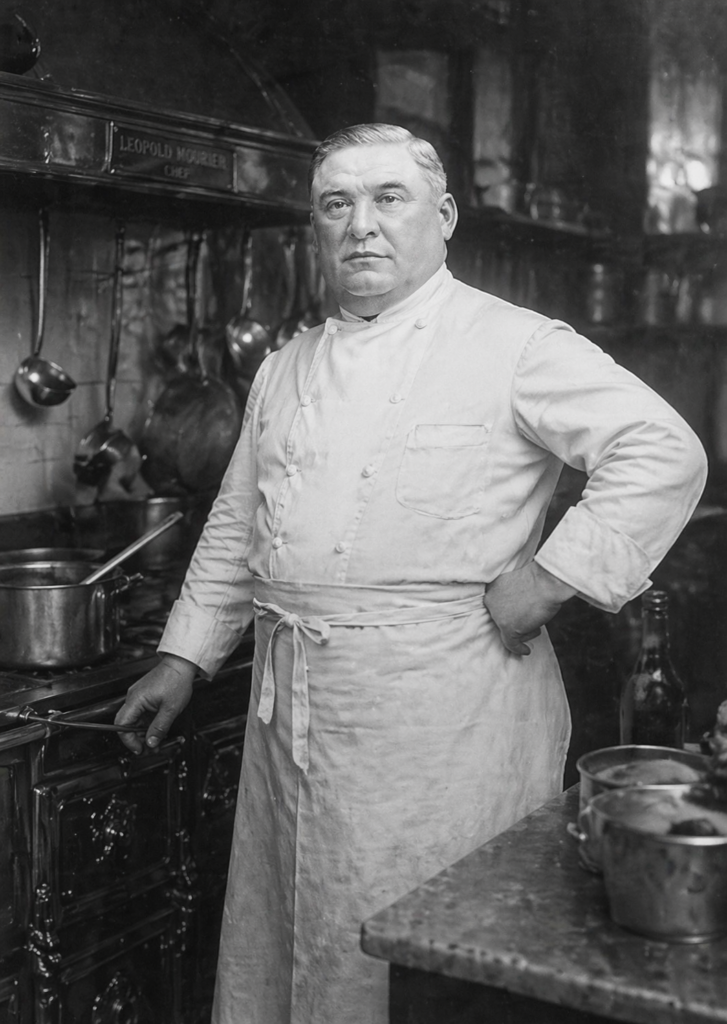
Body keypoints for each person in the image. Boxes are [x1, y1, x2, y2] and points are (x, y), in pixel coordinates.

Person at [115, 123, 708, 1024]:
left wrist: (549, 580)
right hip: (295, 711)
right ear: (315, 229)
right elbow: (240, 522)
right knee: (296, 940)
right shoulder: (283, 368)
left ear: (444, 216)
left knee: (419, 960)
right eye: (336, 205)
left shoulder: (512, 344)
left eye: (389, 199)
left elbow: (663, 451)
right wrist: (184, 657)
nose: (362, 225)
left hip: (445, 720)